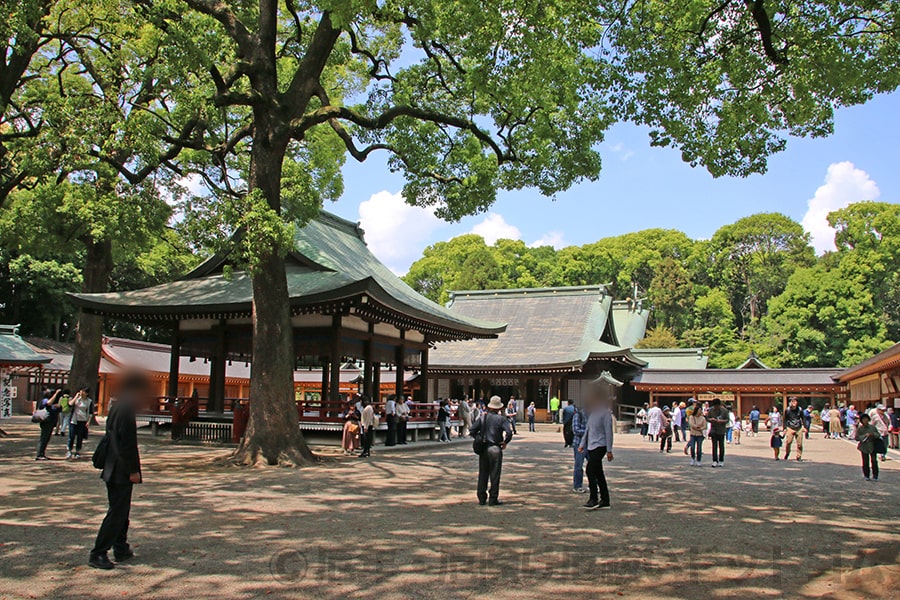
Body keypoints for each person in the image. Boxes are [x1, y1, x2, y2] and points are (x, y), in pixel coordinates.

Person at [89, 371, 145, 569]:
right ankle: (98, 552)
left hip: (112, 464)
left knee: (121, 510)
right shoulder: (126, 408)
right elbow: (127, 443)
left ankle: (121, 547)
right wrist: (133, 469)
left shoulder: (116, 406)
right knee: (117, 512)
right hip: (120, 467)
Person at [470, 396, 513, 506]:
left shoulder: (483, 418)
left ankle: (482, 498)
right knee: (495, 475)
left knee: (483, 474)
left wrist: (479, 438)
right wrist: (505, 442)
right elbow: (509, 432)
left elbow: (472, 430)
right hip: (495, 448)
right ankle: (493, 498)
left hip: (484, 448)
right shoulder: (502, 419)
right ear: (499, 408)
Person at [577, 389, 615, 510]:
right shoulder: (593, 414)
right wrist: (582, 444)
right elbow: (588, 430)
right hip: (591, 445)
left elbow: (609, 432)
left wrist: (609, 450)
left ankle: (593, 498)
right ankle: (605, 500)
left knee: (590, 470)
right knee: (599, 473)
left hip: (601, 445)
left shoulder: (605, 413)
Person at [35, 389, 62, 460]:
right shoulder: (45, 400)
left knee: (46, 438)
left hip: (51, 422)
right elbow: (48, 403)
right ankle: (39, 454)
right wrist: (56, 394)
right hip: (45, 422)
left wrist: (58, 406)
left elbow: (59, 409)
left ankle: (42, 453)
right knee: (43, 438)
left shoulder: (54, 403)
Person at [67, 389, 92, 459]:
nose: (81, 392)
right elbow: (70, 404)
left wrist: (88, 421)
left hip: (83, 420)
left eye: (83, 391)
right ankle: (69, 450)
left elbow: (90, 413)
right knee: (71, 436)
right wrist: (76, 397)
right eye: (81, 391)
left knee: (80, 437)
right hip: (74, 420)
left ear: (86, 393)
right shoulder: (76, 399)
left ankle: (77, 451)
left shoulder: (89, 401)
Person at [855, 413, 880, 481]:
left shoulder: (872, 427)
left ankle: (875, 475)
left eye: (866, 419)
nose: (865, 420)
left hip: (872, 445)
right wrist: (864, 436)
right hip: (864, 446)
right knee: (865, 461)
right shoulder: (860, 429)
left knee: (874, 461)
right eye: (863, 419)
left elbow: (878, 434)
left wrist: (872, 434)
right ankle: (866, 475)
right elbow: (857, 437)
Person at [782, 397, 806, 461]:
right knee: (788, 442)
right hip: (790, 427)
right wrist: (784, 428)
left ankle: (799, 456)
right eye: (792, 401)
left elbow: (803, 418)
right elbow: (785, 419)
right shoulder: (787, 410)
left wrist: (805, 427)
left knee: (800, 443)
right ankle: (787, 453)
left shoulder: (800, 409)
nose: (794, 403)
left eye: (795, 401)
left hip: (799, 427)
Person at [571, 401, 588, 493]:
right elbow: (575, 430)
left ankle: (593, 484)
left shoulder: (593, 415)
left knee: (593, 465)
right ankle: (577, 485)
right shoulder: (578, 415)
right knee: (579, 465)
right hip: (579, 443)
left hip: (590, 444)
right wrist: (587, 433)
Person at [707, 398, 729, 468]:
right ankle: (714, 460)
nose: (716, 407)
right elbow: (707, 418)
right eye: (715, 406)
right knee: (714, 446)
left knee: (721, 446)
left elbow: (727, 420)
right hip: (714, 429)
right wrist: (711, 420)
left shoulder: (724, 411)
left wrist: (721, 421)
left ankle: (721, 460)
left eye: (717, 406)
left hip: (721, 430)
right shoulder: (711, 410)